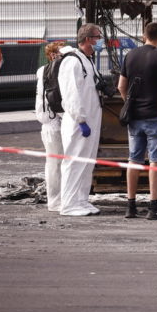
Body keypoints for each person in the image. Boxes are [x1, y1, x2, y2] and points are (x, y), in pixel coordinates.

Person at [118, 22, 157, 220]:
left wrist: (129, 104)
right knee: (155, 160)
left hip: (135, 117)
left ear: (144, 36)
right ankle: (154, 206)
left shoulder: (130, 56)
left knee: (133, 159)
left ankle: (130, 205)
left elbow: (120, 86)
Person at [58, 24, 104, 216]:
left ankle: (81, 200)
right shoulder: (72, 62)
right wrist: (81, 119)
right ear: (86, 39)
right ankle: (68, 204)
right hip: (79, 122)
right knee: (74, 161)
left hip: (90, 119)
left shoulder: (87, 60)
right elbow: (71, 93)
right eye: (97, 37)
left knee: (86, 162)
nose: (99, 41)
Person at [34, 40, 65, 212]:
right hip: (52, 122)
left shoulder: (44, 71)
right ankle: (55, 200)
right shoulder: (48, 72)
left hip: (51, 121)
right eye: (60, 54)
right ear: (53, 55)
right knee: (54, 163)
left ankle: (58, 198)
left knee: (56, 163)